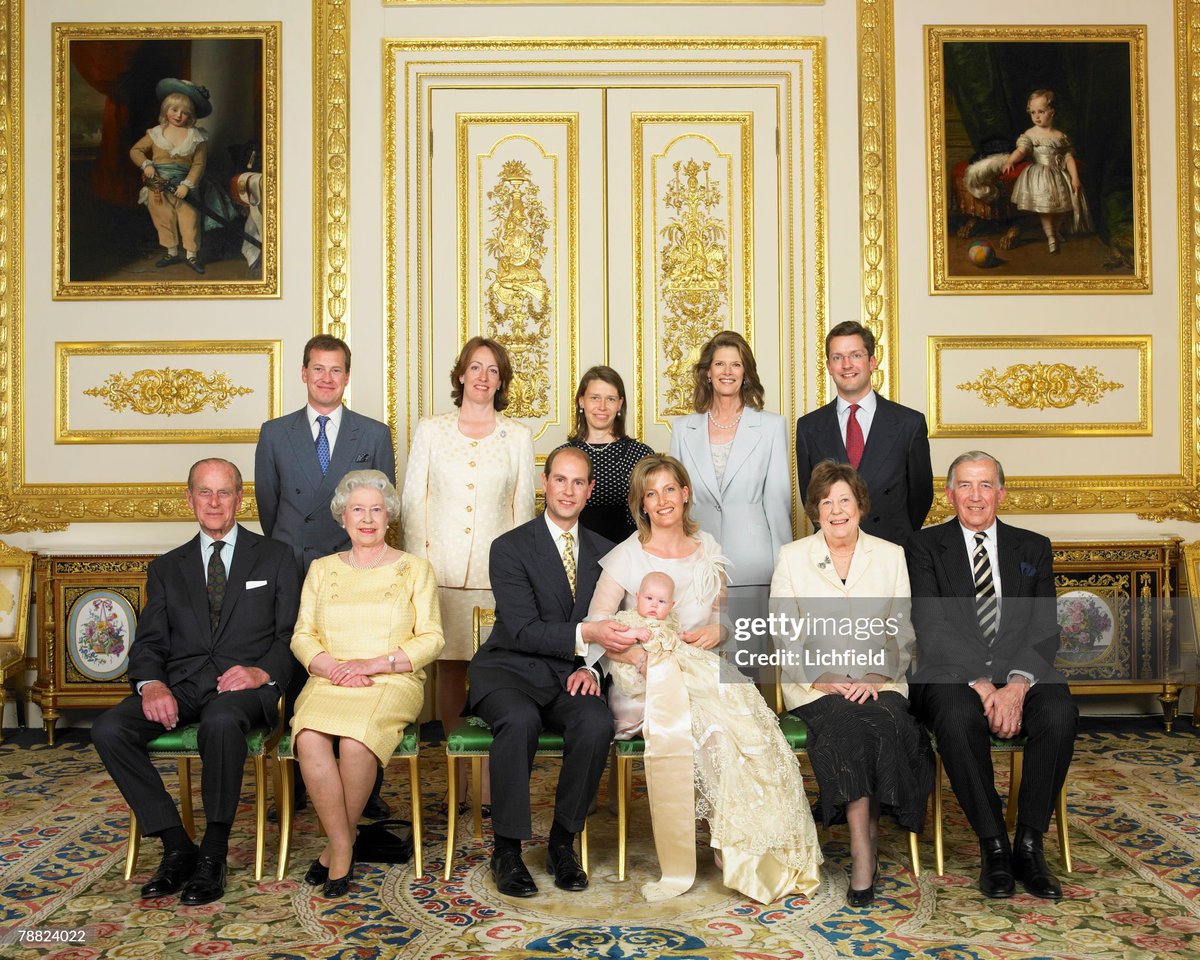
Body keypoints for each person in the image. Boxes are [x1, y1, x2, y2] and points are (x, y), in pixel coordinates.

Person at [588, 454, 822, 904]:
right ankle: (729, 844)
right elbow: (597, 626)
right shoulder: (625, 556)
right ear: (640, 503)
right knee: (713, 730)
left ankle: (762, 844)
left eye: (669, 489)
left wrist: (718, 630)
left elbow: (722, 619)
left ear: (685, 493)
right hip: (644, 676)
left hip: (699, 664)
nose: (662, 501)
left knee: (754, 728)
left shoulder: (708, 548)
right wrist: (641, 655)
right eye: (650, 493)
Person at [91, 458, 298, 906]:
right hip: (182, 685)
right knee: (109, 729)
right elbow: (148, 643)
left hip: (245, 687)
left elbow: (291, 636)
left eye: (224, 492)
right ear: (189, 499)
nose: (215, 502)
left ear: (240, 499)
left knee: (220, 723)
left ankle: (214, 852)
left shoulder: (276, 556)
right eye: (205, 492)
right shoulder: (167, 567)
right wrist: (152, 685)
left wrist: (262, 672)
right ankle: (175, 843)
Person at [907, 451, 1078, 900]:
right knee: (956, 714)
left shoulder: (1032, 546)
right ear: (949, 494)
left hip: (1021, 671)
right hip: (949, 673)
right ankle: (994, 846)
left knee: (1060, 710)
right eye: (965, 485)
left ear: (1001, 493)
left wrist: (1017, 685)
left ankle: (1028, 844)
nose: (976, 496)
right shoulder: (924, 547)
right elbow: (931, 626)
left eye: (985, 485)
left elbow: (1044, 628)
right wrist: (983, 684)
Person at [467, 446, 632, 898]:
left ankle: (563, 841)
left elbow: (619, 629)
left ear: (590, 491)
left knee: (597, 722)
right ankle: (507, 849)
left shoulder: (609, 554)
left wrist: (594, 669)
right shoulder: (510, 547)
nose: (568, 490)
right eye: (561, 479)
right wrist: (587, 636)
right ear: (545, 483)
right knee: (519, 722)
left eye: (579, 482)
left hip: (572, 674)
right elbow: (522, 630)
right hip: (510, 670)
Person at [771, 461, 933, 907]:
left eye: (844, 499)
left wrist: (875, 677)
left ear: (860, 506)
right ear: (815, 510)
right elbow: (784, 631)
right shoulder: (793, 556)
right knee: (850, 723)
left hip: (881, 683)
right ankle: (866, 849)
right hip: (816, 688)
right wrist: (822, 677)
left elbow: (903, 631)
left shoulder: (890, 554)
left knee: (875, 720)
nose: (836, 510)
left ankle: (863, 847)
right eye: (826, 502)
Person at [255, 333, 396, 820]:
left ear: (347, 377)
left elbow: (381, 507)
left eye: (336, 370)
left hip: (356, 567)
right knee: (302, 665)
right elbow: (270, 511)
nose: (326, 378)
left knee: (362, 669)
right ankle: (300, 783)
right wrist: (291, 556)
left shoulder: (373, 433)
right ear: (303, 373)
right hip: (295, 568)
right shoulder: (274, 433)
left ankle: (364, 786)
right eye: (318, 369)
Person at [289, 470, 443, 897]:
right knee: (309, 737)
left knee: (357, 741)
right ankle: (343, 842)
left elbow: (432, 637)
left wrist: (374, 663)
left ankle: (335, 852)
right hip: (330, 678)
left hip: (391, 679)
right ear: (343, 517)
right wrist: (330, 667)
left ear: (388, 516)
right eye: (358, 509)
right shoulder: (321, 570)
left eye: (376, 509)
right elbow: (302, 635)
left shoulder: (415, 569)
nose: (368, 518)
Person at [402, 336, 535, 808]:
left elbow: (522, 512)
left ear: (501, 381)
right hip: (439, 571)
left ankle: (485, 779)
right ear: (461, 375)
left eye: (492, 370)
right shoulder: (431, 430)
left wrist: (522, 577)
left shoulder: (518, 436)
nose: (482, 377)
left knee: (493, 673)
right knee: (450, 671)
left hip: (496, 577)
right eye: (475, 368)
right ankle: (458, 773)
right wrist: (419, 569)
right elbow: (412, 502)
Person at [669, 331, 792, 635]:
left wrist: (785, 571)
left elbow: (777, 503)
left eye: (735, 365)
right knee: (700, 671)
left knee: (746, 672)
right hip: (696, 566)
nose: (727, 372)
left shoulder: (771, 427)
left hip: (753, 568)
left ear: (745, 372)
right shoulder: (683, 428)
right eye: (720, 364)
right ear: (707, 372)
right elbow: (674, 503)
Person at [795, 320, 933, 546]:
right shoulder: (809, 427)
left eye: (855, 355)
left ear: (872, 362)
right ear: (829, 367)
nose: (846, 365)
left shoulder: (909, 423)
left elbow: (921, 496)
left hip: (892, 548)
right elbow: (810, 498)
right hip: (831, 550)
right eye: (837, 357)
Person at [130, 78, 235, 275]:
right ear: (165, 110)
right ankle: (171, 252)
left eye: (185, 112)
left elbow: (198, 164)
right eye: (174, 110)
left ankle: (191, 254)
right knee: (163, 218)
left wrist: (187, 185)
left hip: (184, 187)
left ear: (192, 116)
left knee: (190, 218)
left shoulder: (196, 136)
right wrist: (146, 164)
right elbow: (135, 151)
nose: (179, 115)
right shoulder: (155, 133)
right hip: (158, 186)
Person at [564, 365, 654, 543]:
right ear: (581, 401)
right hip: (574, 554)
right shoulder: (564, 455)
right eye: (595, 398)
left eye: (610, 399)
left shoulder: (640, 454)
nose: (602, 406)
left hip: (629, 553)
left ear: (620, 404)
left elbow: (652, 515)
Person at [1001, 89, 1092, 253]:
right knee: (1046, 209)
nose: (1036, 116)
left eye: (1041, 112)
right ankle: (1050, 237)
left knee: (1064, 208)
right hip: (1040, 176)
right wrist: (1010, 161)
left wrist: (1075, 178)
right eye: (1032, 112)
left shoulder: (1060, 136)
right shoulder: (1030, 134)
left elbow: (1068, 158)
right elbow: (1022, 151)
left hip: (1059, 176)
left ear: (1052, 113)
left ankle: (1056, 231)